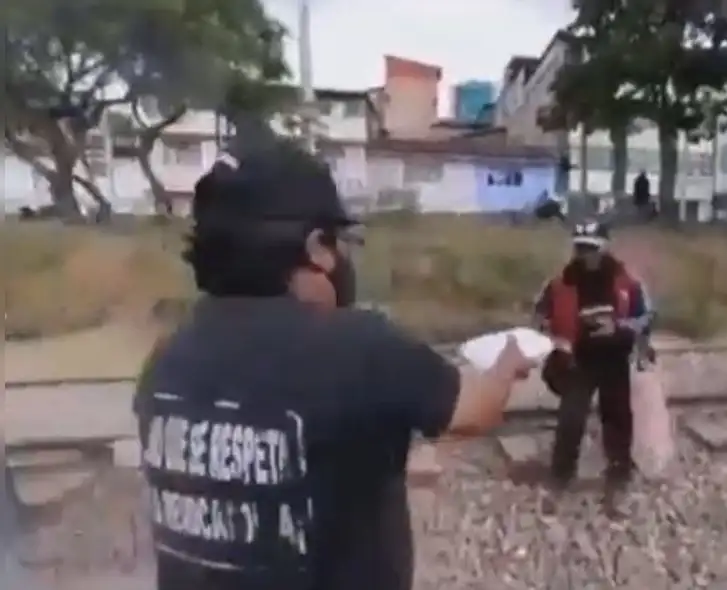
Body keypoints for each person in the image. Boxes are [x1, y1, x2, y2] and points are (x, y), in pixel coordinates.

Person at [133, 140, 535, 590]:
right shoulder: (360, 345)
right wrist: (509, 363)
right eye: (339, 242)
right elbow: (474, 411)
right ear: (316, 248)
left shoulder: (165, 357)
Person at [533, 220, 654, 515]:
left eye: (590, 248)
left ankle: (618, 474)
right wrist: (549, 335)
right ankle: (561, 476)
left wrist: (620, 327)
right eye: (580, 247)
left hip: (614, 358)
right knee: (571, 418)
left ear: (604, 248)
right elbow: (540, 315)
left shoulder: (628, 281)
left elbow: (647, 316)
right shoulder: (560, 282)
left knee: (618, 418)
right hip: (578, 359)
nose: (584, 254)